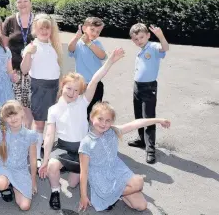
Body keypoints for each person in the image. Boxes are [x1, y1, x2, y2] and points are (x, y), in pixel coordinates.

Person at [39, 48, 125, 210]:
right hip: (63, 147)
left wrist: (111, 61)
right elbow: (49, 135)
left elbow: (95, 79)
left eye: (76, 90)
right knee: (51, 166)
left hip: (82, 149)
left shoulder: (82, 102)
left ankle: (101, 193)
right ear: (62, 86)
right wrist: (45, 160)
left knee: (73, 184)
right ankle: (55, 191)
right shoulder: (54, 110)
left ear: (80, 92)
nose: (72, 93)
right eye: (68, 88)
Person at [78, 102, 171, 212]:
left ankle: (115, 195)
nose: (103, 124)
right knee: (139, 182)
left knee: (141, 206)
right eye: (100, 119)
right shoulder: (86, 143)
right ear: (91, 117)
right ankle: (108, 195)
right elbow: (83, 172)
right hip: (102, 180)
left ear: (112, 121)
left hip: (117, 170)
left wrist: (158, 120)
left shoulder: (113, 130)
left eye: (108, 120)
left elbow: (137, 123)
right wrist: (83, 196)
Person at [20, 13, 63, 169]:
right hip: (39, 87)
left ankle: (43, 149)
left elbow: (56, 69)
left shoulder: (53, 46)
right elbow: (24, 69)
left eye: (47, 28)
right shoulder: (32, 47)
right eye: (41, 28)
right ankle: (36, 155)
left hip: (53, 88)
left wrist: (60, 88)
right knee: (39, 124)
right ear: (35, 30)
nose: (44, 31)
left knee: (50, 122)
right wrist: (29, 53)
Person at [127, 23, 170, 164]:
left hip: (149, 88)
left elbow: (165, 48)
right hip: (137, 87)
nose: (139, 41)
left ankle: (150, 149)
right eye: (135, 39)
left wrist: (161, 35)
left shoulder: (152, 47)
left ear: (148, 35)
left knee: (149, 118)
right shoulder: (141, 49)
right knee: (139, 116)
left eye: (141, 37)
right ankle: (141, 140)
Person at [0, 100, 38, 211]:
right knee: (0, 184)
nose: (13, 118)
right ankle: (6, 183)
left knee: (25, 206)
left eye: (15, 114)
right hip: (4, 168)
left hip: (20, 170)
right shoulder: (0, 134)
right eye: (8, 116)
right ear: (4, 119)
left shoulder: (30, 135)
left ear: (22, 113)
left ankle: (15, 187)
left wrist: (33, 180)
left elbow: (33, 159)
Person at [2, 0, 35, 129]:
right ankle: (18, 134)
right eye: (19, 1)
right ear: (15, 4)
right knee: (16, 105)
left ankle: (30, 133)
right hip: (15, 70)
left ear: (31, 2)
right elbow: (3, 48)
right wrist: (9, 71)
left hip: (35, 71)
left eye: (25, 1)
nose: (22, 4)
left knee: (31, 104)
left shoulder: (38, 20)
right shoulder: (10, 21)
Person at [67, 17, 107, 120]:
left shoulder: (97, 44)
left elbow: (102, 56)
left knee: (95, 112)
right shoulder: (78, 43)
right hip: (81, 84)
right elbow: (70, 49)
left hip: (96, 84)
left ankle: (92, 133)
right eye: (92, 30)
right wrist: (76, 37)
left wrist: (89, 43)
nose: (95, 33)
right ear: (84, 28)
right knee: (80, 111)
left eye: (98, 31)